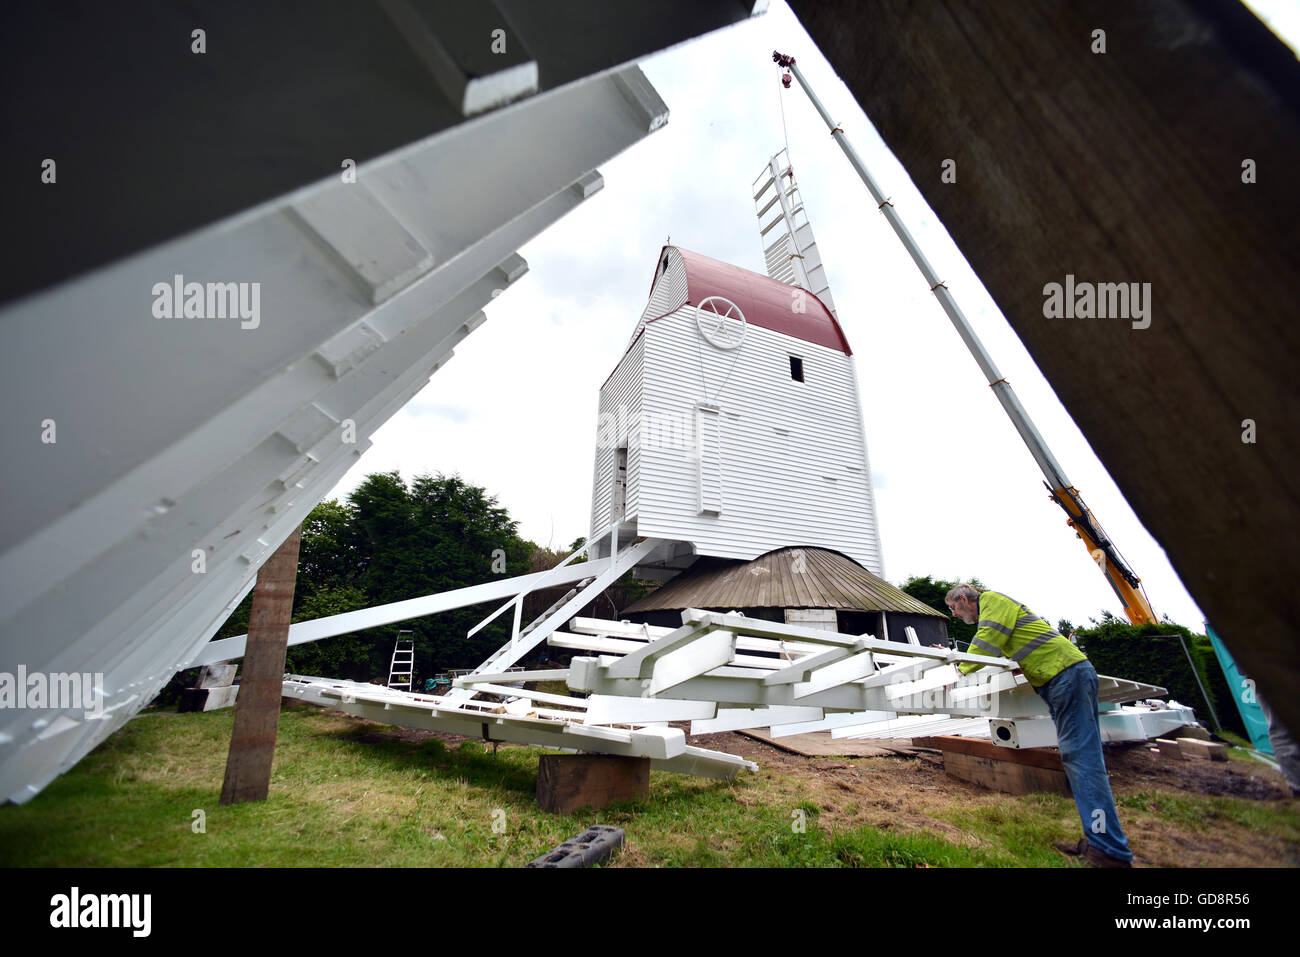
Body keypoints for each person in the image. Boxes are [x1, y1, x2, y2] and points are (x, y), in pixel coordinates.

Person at [945, 583, 1134, 868]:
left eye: (953, 608)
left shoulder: (992, 602)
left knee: (1083, 760)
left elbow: (986, 641)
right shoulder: (999, 613)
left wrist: (959, 668)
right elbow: (1010, 647)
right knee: (1079, 759)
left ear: (962, 598)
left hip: (1066, 676)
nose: (955, 615)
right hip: (1063, 677)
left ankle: (1109, 852)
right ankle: (1100, 840)